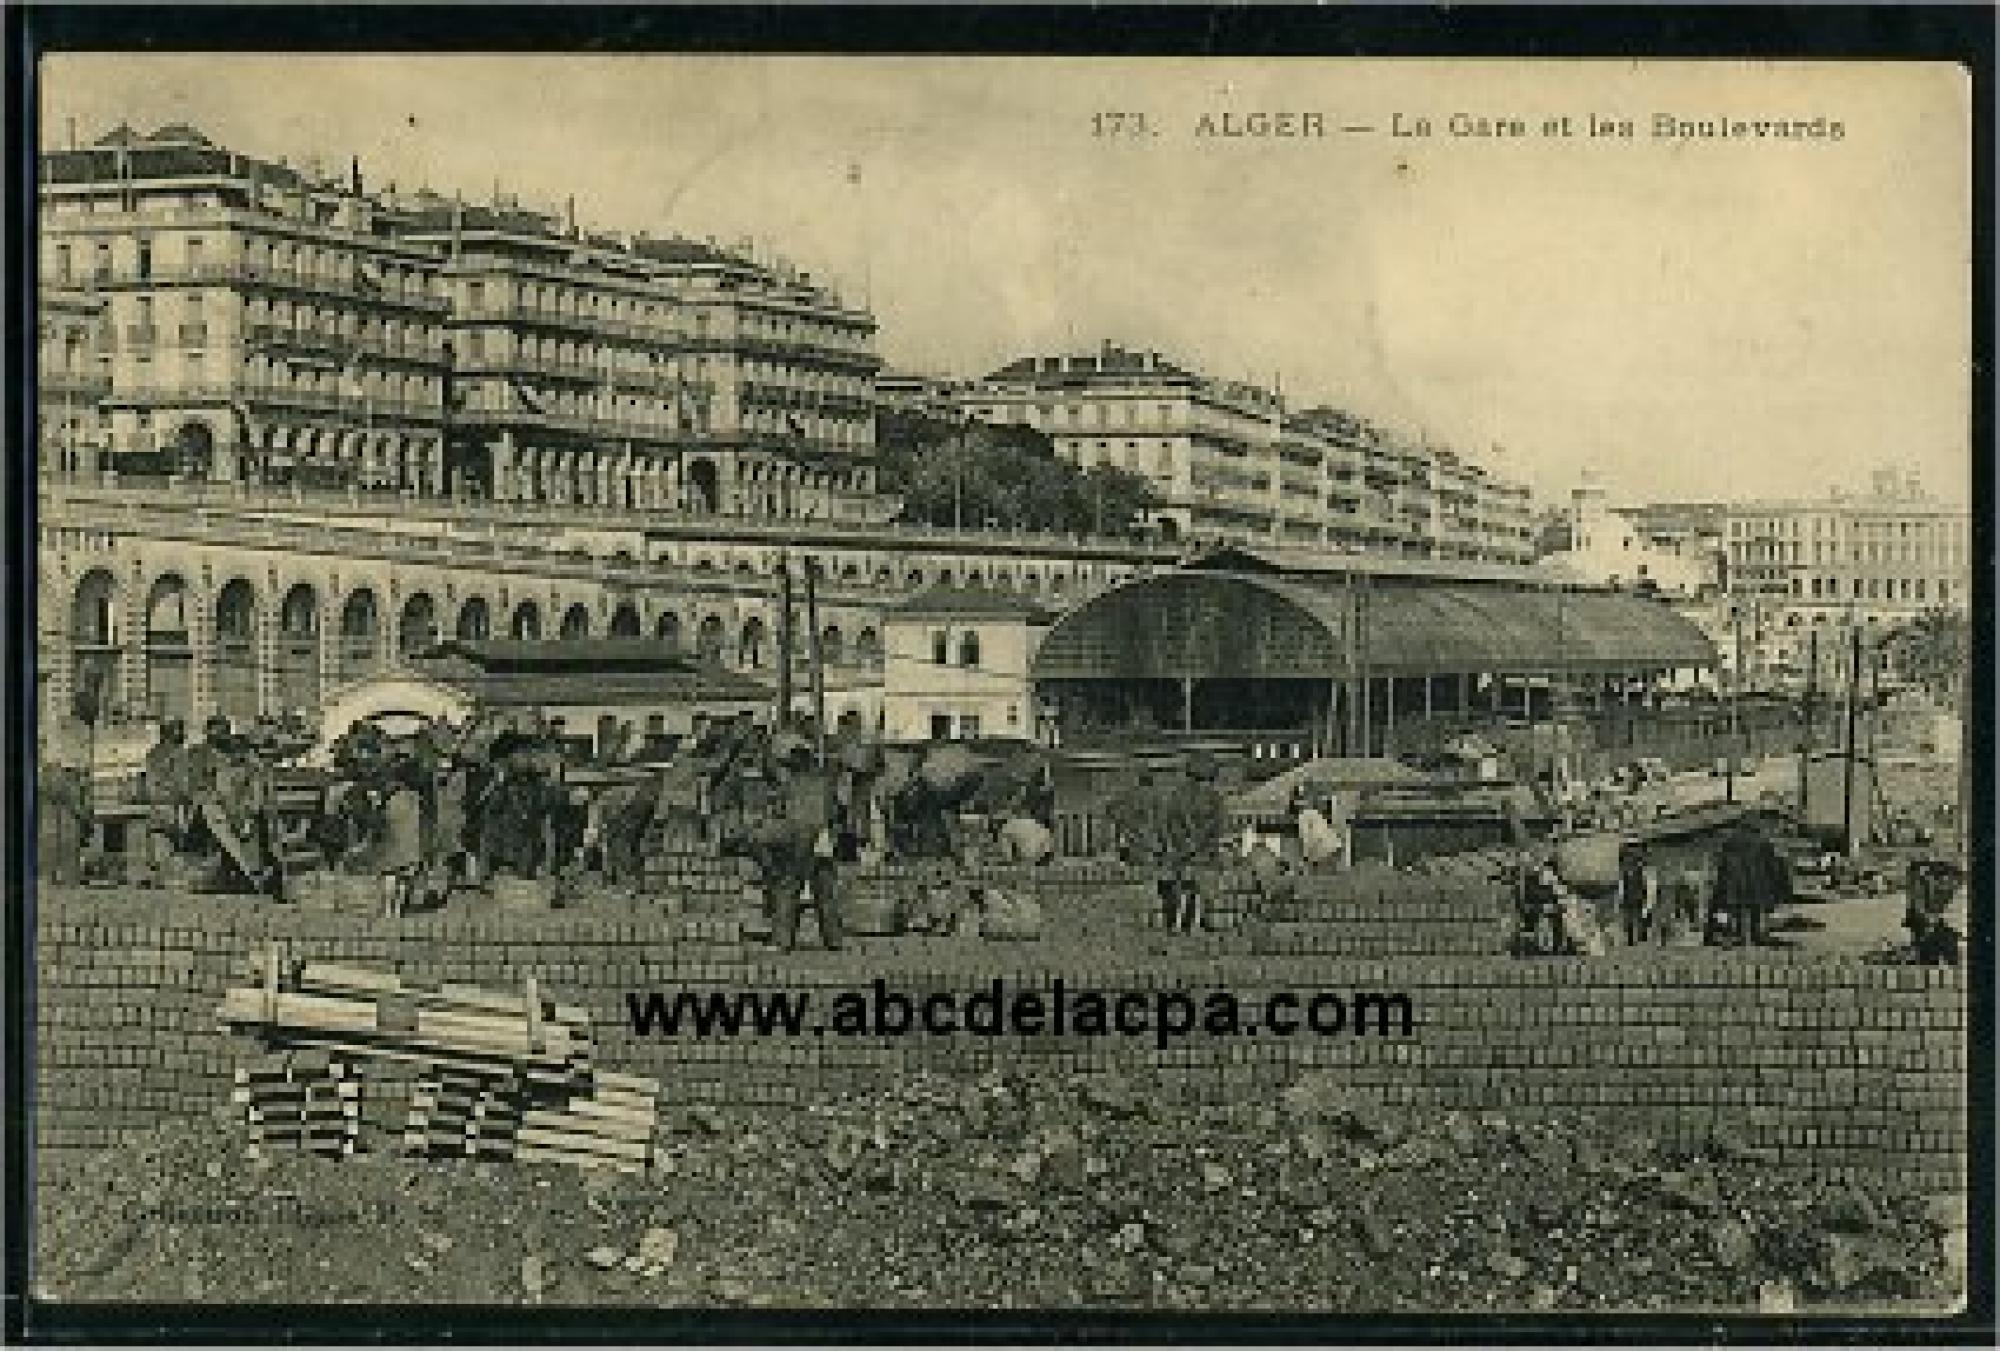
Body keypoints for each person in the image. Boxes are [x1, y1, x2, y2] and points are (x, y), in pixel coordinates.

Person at [139, 718, 194, 886]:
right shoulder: (179, 753)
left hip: (156, 803)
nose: (184, 734)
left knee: (158, 839)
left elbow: (148, 782)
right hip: (173, 804)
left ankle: (160, 876)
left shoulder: (153, 753)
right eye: (180, 730)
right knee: (175, 840)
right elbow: (183, 783)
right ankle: (171, 877)